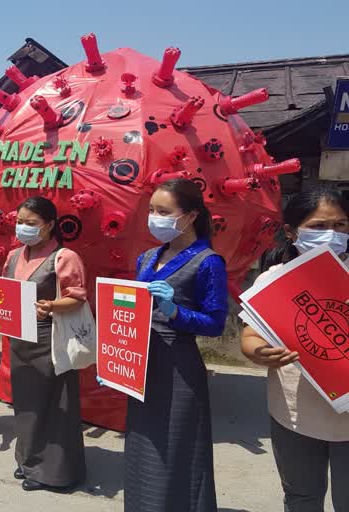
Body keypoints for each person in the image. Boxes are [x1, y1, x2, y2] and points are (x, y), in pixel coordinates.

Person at [0, 196, 88, 492]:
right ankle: (28, 460)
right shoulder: (15, 255)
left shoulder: (64, 257)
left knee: (56, 406)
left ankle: (55, 472)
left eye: (31, 223)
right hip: (19, 341)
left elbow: (78, 297)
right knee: (27, 405)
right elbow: (5, 293)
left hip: (49, 339)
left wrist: (53, 305)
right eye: (19, 222)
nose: (23, 228)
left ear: (50, 225)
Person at [240, 187, 349, 511]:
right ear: (290, 232)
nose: (331, 234)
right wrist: (258, 352)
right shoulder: (274, 280)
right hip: (296, 415)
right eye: (318, 226)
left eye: (341, 225)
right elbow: (250, 336)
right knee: (302, 497)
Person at [125, 179, 228, 511]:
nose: (155, 217)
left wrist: (175, 312)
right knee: (143, 444)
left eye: (164, 211)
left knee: (177, 447)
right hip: (140, 362)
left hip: (178, 367)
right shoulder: (147, 257)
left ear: (191, 215)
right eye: (152, 210)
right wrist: (114, 355)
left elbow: (214, 324)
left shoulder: (208, 262)